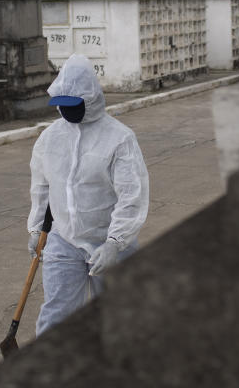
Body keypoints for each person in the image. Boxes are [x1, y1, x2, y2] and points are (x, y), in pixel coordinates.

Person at [28, 54, 149, 336]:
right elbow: (42, 186)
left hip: (106, 238)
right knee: (57, 313)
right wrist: (35, 228)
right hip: (63, 239)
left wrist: (115, 242)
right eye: (62, 105)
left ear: (91, 99)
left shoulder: (119, 138)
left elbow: (132, 195)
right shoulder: (50, 137)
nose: (67, 111)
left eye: (73, 105)